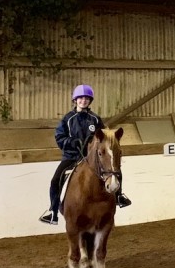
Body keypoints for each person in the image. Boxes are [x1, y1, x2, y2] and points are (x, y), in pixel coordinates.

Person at [39, 84, 131, 225]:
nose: (84, 101)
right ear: (75, 100)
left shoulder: (95, 119)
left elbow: (104, 135)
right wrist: (71, 142)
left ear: (90, 101)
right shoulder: (68, 119)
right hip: (72, 157)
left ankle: (119, 196)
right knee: (55, 180)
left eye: (87, 98)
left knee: (115, 171)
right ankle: (53, 211)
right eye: (81, 98)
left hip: (91, 157)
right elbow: (59, 137)